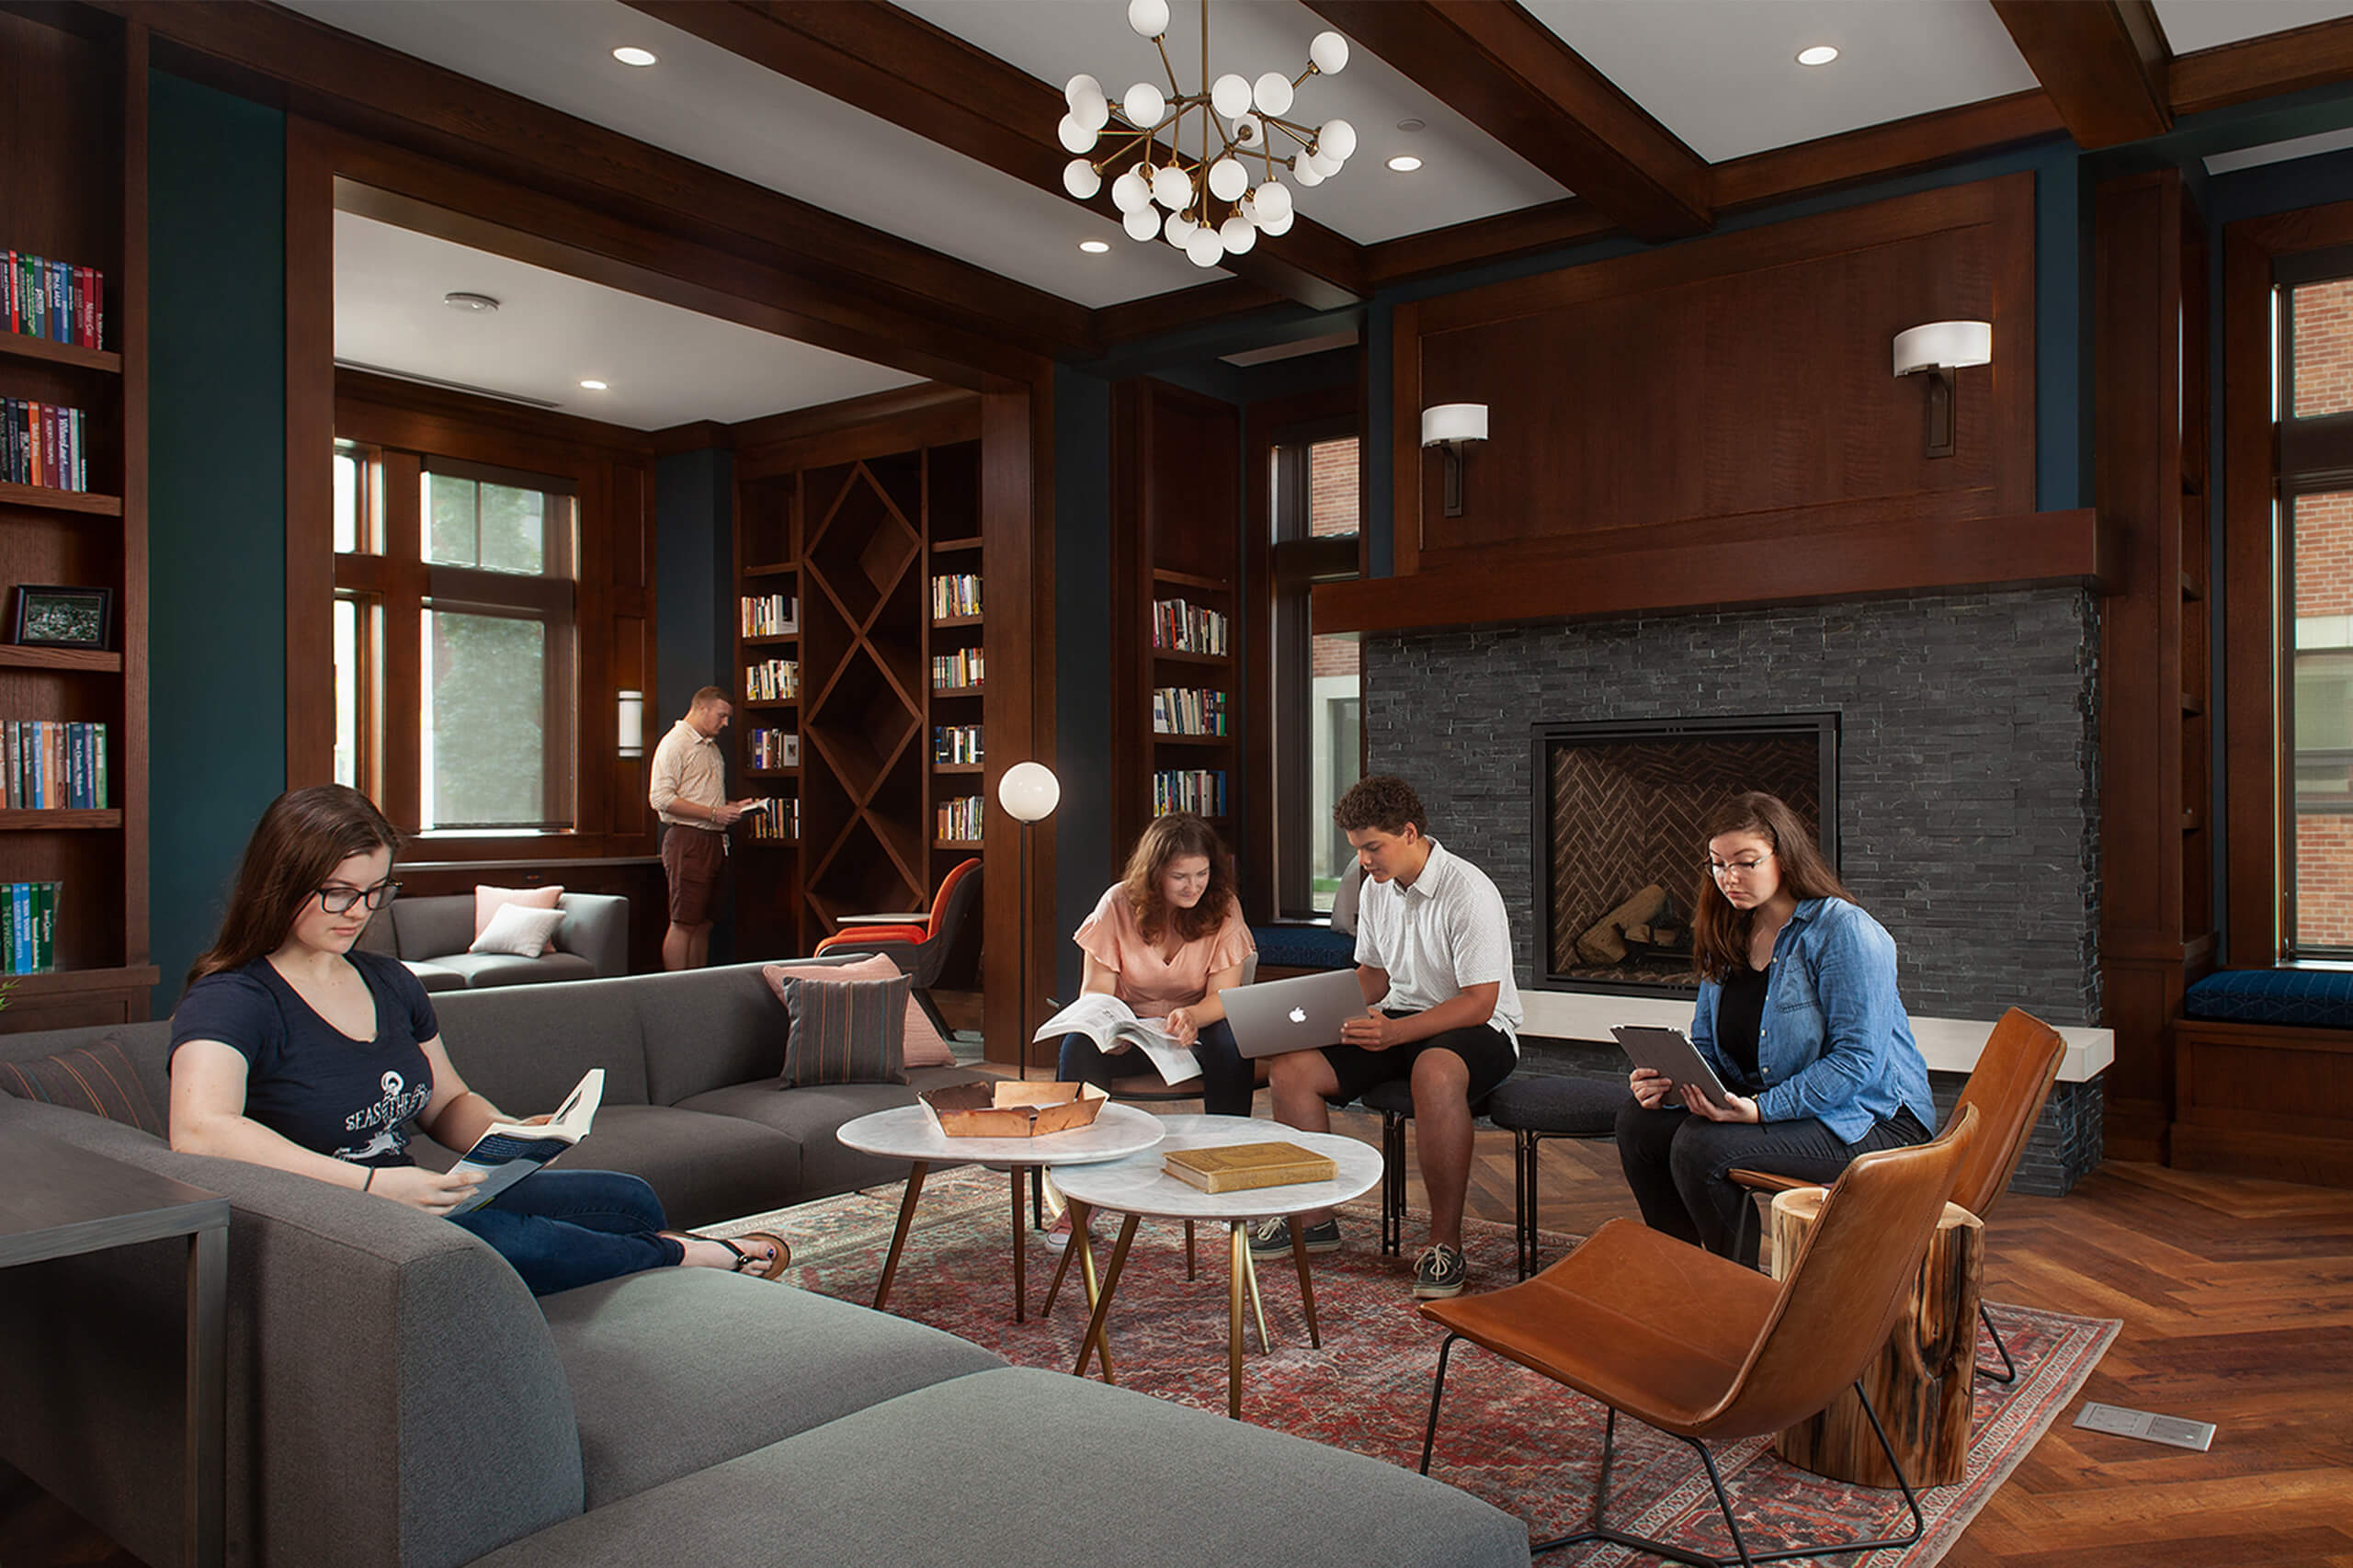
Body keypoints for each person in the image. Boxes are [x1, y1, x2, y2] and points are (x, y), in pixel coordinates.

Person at [168, 784, 788, 1297]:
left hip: (414, 1195)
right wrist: (373, 1186)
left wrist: (511, 1135)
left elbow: (447, 1103)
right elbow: (199, 1129)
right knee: (515, 1244)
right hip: (330, 1217)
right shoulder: (234, 997)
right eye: (338, 892)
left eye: (375, 892)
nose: (358, 912)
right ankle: (681, 1258)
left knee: (629, 1200)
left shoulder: (387, 980)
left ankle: (624, 1258)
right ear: (280, 882)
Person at [1616, 790, 1938, 1267]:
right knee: (1639, 1123)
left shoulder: (1844, 931)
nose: (1729, 878)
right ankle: (1680, 1280)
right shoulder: (1728, 928)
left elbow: (1858, 1062)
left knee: (1700, 1148)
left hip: (1872, 1118)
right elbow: (1706, 1043)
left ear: (1783, 856)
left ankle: (1735, 1295)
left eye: (1746, 863)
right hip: (1768, 1097)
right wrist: (1673, 1083)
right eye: (1718, 864)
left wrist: (1761, 1111)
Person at [1251, 776, 1520, 1301]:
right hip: (1398, 1018)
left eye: (1373, 847)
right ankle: (1314, 1220)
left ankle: (1445, 1245)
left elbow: (1479, 1001)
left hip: (1478, 1029)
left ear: (1410, 832)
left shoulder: (1469, 891)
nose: (1365, 861)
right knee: (1292, 1069)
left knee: (1434, 1070)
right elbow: (1373, 978)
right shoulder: (1375, 887)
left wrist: (1395, 1032)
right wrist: (1302, 1013)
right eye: (1357, 850)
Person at [1058, 812, 1257, 1118]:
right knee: (1078, 1044)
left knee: (1231, 1038)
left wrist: (1192, 1016)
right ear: (1154, 874)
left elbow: (1224, 996)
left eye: (1201, 873)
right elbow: (1096, 991)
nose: (1193, 886)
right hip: (1129, 1036)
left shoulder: (1225, 906)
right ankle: (1078, 1141)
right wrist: (1111, 1031)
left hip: (1195, 1032)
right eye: (1179, 877)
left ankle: (1228, 1141)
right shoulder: (1116, 903)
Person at [649, 686, 761, 971]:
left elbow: (697, 795)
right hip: (688, 840)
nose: (725, 724)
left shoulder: (710, 748)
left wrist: (732, 806)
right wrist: (713, 813)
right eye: (722, 716)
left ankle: (698, 987)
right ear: (702, 708)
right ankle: (677, 990)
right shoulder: (674, 743)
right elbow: (660, 798)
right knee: (684, 921)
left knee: (704, 923)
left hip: (714, 841)